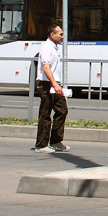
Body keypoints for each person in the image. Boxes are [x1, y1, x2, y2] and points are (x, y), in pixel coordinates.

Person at [32, 24, 70, 153]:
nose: (62, 36)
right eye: (60, 34)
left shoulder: (54, 47)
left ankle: (55, 141)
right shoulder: (46, 48)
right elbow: (45, 67)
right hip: (46, 84)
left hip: (54, 84)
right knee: (45, 113)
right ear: (51, 35)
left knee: (62, 110)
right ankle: (41, 145)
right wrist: (54, 84)